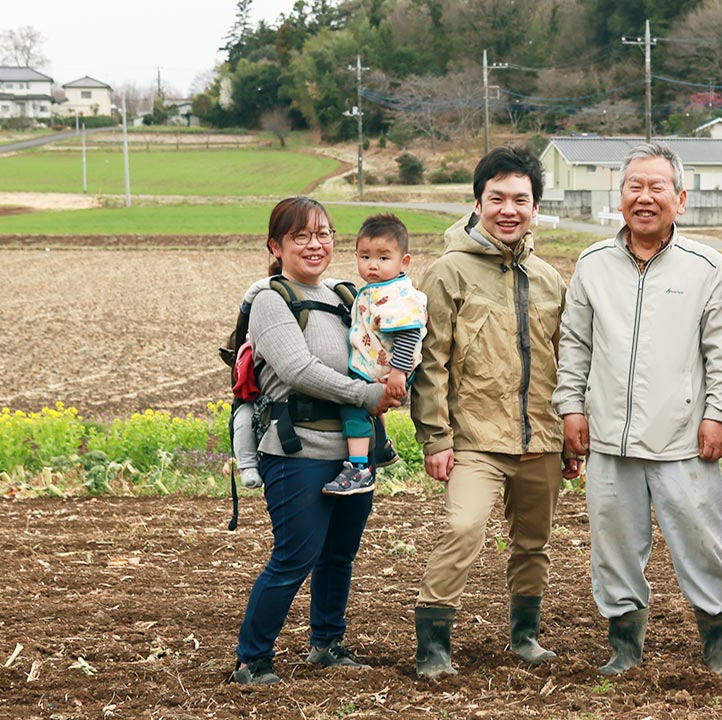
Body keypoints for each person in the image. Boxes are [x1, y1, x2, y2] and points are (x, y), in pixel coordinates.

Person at [554, 141, 722, 677]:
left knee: (701, 538)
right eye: (634, 186)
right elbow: (575, 345)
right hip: (608, 435)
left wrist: (717, 414)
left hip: (683, 435)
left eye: (656, 187)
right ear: (620, 198)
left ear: (679, 199)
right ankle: (624, 645)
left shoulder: (707, 266)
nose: (644, 197)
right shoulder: (593, 264)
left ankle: (717, 641)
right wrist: (571, 408)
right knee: (613, 542)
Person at [409, 146, 578, 679]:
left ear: (534, 207)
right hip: (474, 438)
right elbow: (428, 360)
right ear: (477, 202)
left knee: (534, 543)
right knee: (463, 526)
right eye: (497, 197)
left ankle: (524, 636)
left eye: (521, 199)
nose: (509, 209)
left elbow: (568, 360)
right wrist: (435, 438)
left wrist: (572, 434)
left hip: (542, 438)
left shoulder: (550, 278)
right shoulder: (447, 272)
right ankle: (433, 645)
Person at [231, 196, 400, 686]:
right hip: (297, 451)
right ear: (275, 246)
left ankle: (326, 644)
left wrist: (395, 377)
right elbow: (298, 371)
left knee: (338, 556)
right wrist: (368, 395)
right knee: (294, 557)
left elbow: (378, 353)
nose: (315, 244)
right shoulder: (270, 299)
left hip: (354, 456)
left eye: (323, 233)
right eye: (300, 236)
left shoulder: (349, 297)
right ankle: (253, 657)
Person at [322, 212, 426, 496]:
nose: (372, 265)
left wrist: (397, 374)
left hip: (392, 369)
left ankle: (359, 468)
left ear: (404, 261)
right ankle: (380, 447)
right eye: (365, 257)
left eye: (383, 258)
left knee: (352, 406)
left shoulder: (397, 295)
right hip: (381, 367)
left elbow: (408, 335)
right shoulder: (378, 289)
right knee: (369, 406)